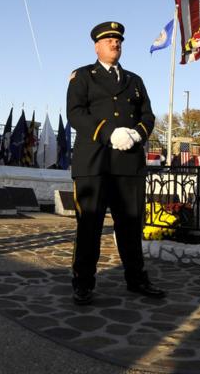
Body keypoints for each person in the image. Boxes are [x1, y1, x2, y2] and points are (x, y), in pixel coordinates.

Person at [67, 21, 165, 305]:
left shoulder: (135, 80)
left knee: (131, 225)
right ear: (96, 46)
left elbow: (148, 115)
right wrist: (109, 132)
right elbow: (75, 114)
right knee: (90, 225)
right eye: (109, 39)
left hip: (128, 165)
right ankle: (83, 282)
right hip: (94, 164)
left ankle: (136, 278)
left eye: (118, 39)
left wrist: (136, 133)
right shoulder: (83, 76)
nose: (115, 43)